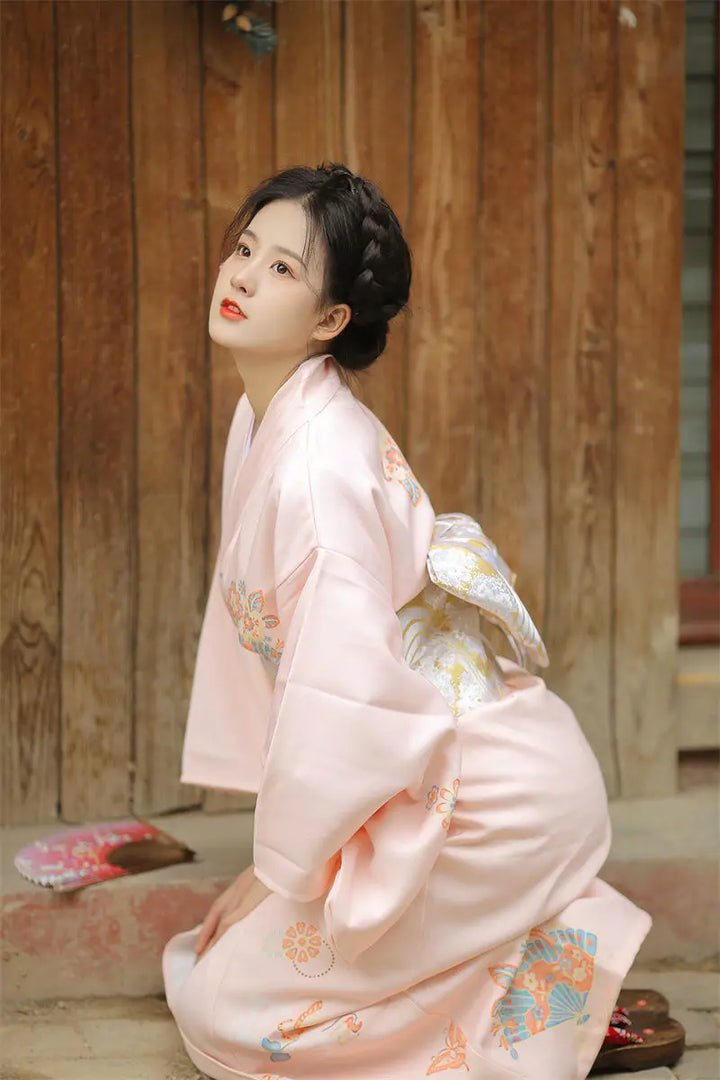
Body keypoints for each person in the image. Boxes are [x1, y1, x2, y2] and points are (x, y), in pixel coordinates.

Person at [162, 163, 652, 1080]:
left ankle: (564, 971)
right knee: (210, 965)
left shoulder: (317, 472)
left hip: (485, 800)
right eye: (242, 249)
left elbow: (345, 706)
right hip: (430, 780)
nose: (238, 276)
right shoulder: (268, 419)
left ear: (330, 319)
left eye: (280, 269)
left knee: (230, 1025)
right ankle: (533, 961)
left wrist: (277, 872)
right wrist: (277, 868)